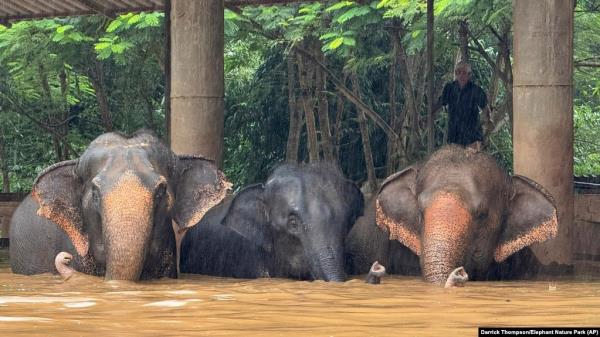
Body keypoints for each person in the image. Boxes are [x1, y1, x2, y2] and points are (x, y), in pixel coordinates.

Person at [433, 61, 488, 146]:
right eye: (459, 72)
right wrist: (428, 115)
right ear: (455, 73)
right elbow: (441, 103)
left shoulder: (476, 90)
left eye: (464, 73)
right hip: (454, 135)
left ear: (469, 75)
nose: (461, 75)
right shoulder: (449, 88)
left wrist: (487, 123)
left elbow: (485, 108)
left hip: (472, 136)